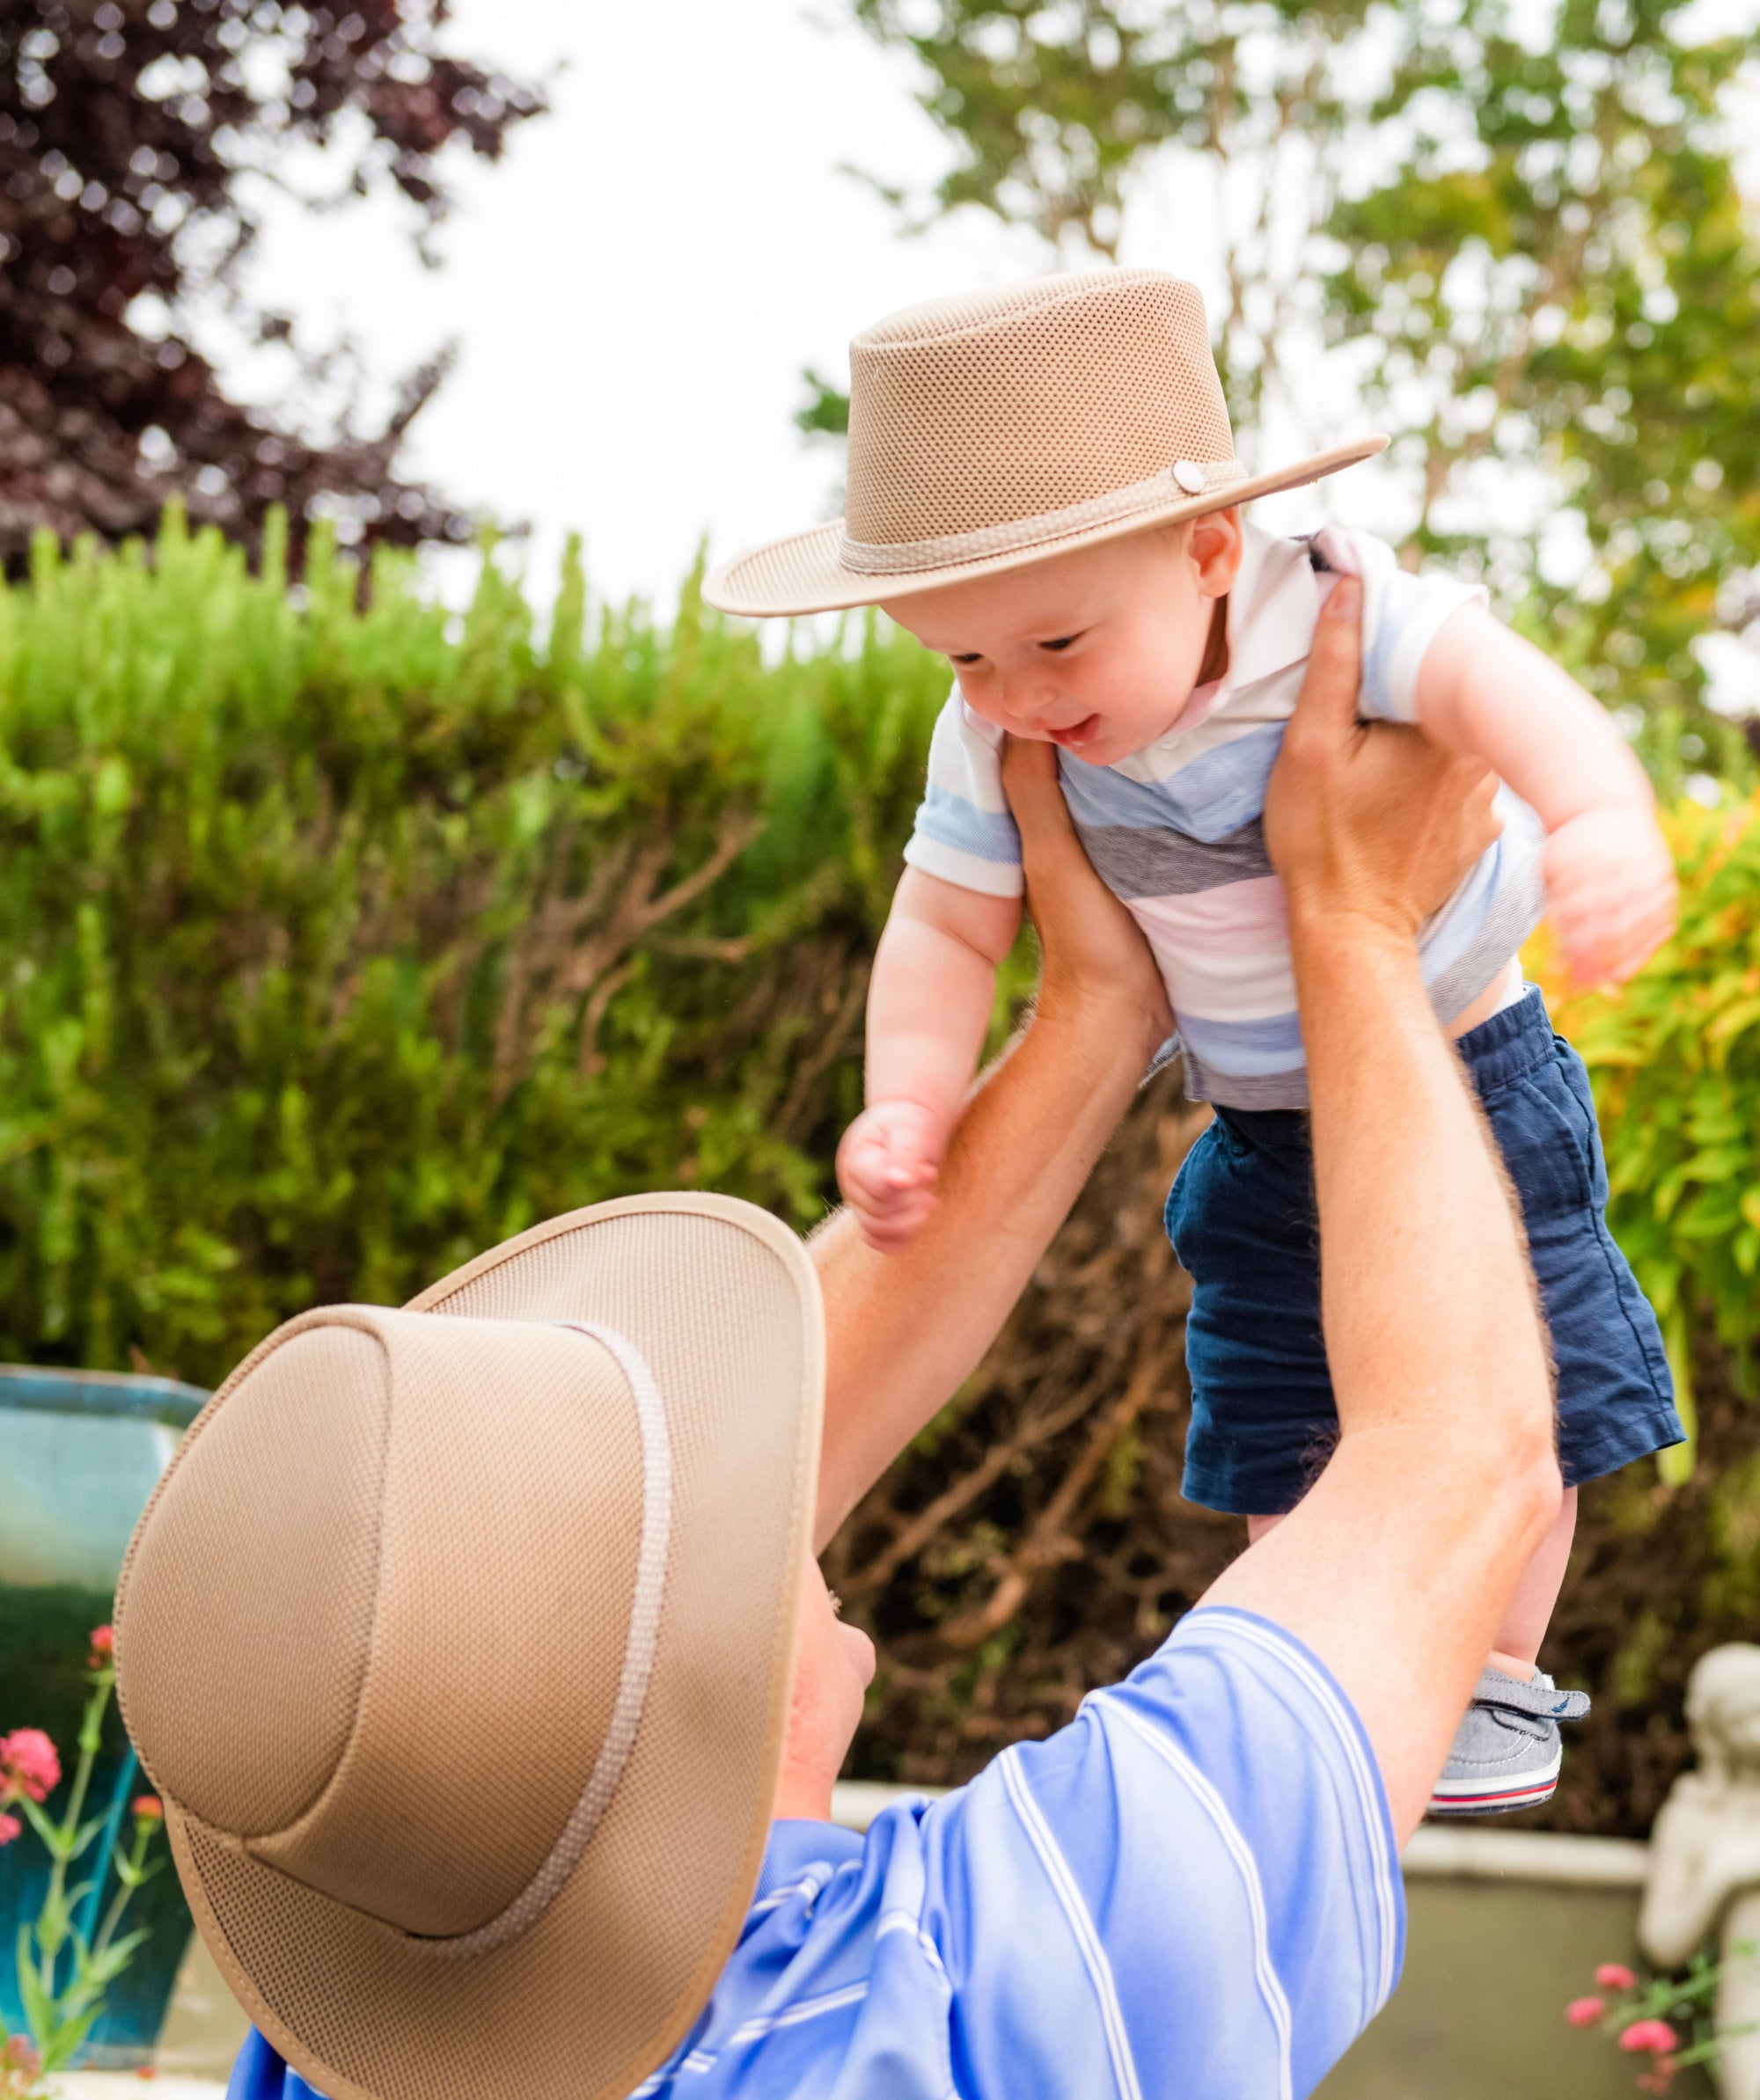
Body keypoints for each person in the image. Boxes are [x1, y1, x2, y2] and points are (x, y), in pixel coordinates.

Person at [117, 588, 1562, 2100]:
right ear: (689, 1694)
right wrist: (1353, 920)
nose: (739, 1496)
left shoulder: (354, 2057)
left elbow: (662, 1580)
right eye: (659, 1542)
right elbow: (1453, 1463)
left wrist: (1096, 1009)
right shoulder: (980, 1994)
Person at [702, 266, 1681, 1815]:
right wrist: (907, 1101)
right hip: (1260, 1121)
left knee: (1520, 1372)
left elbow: (1506, 690)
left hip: (1462, 1060)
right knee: (1271, 1396)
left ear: (1212, 546)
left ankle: (1491, 1672)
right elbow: (948, 926)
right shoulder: (998, 734)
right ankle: (1318, 1653)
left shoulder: (1333, 613)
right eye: (962, 661)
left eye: (1056, 647)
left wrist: (1603, 818)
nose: (1018, 700)